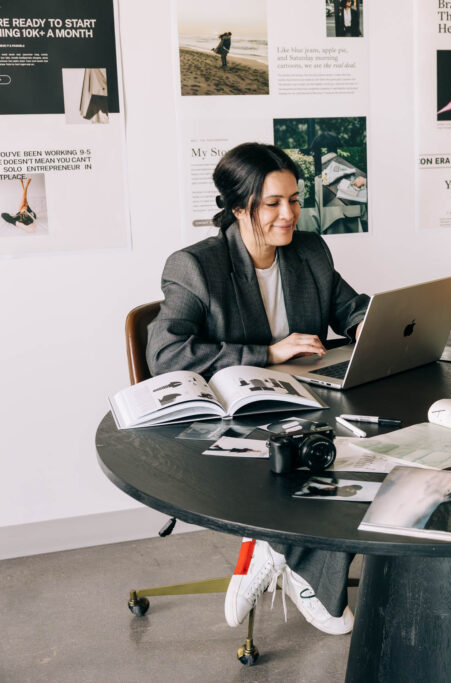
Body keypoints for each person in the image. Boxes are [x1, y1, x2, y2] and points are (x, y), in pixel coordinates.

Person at [147, 142, 368, 635]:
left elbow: (349, 306)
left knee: (370, 442)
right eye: (273, 203)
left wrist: (369, 327)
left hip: (305, 402)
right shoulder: (195, 266)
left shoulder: (310, 251)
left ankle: (273, 550)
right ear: (238, 207)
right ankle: (309, 573)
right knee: (327, 451)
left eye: (294, 199)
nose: (289, 214)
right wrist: (267, 353)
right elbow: (165, 355)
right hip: (231, 414)